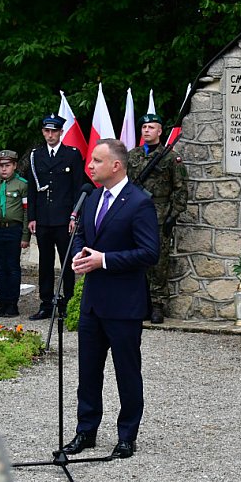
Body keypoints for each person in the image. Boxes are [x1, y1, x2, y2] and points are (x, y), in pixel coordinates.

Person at [63, 139, 159, 459]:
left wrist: (103, 260)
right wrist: (79, 255)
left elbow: (149, 252)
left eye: (96, 161)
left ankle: (127, 436)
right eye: (91, 161)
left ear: (115, 166)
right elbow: (81, 237)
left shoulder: (139, 202)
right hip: (92, 303)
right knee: (88, 373)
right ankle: (85, 432)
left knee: (126, 374)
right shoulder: (91, 198)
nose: (90, 166)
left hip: (124, 305)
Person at [127, 114, 187, 323]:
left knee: (159, 262)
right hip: (134, 215)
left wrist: (173, 216)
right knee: (134, 259)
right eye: (144, 127)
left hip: (158, 215)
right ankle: (139, 302)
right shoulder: (132, 156)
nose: (146, 131)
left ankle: (157, 305)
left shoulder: (170, 158)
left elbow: (180, 189)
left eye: (151, 127)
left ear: (160, 131)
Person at [25, 114, 84, 320]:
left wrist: (74, 215)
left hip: (64, 218)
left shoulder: (72, 155)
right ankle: (46, 303)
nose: (50, 135)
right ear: (43, 132)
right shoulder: (36, 155)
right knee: (45, 262)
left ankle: (67, 302)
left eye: (54, 131)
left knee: (67, 261)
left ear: (61, 132)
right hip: (43, 218)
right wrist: (31, 217)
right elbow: (32, 189)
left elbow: (78, 187)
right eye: (47, 131)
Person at [0, 150, 31, 317]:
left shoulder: (22, 185)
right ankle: (1, 302)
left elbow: (26, 213)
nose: (3, 169)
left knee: (12, 267)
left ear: (15, 166)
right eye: (0, 165)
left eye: (7, 165)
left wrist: (25, 236)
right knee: (0, 268)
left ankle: (12, 303)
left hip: (13, 230)